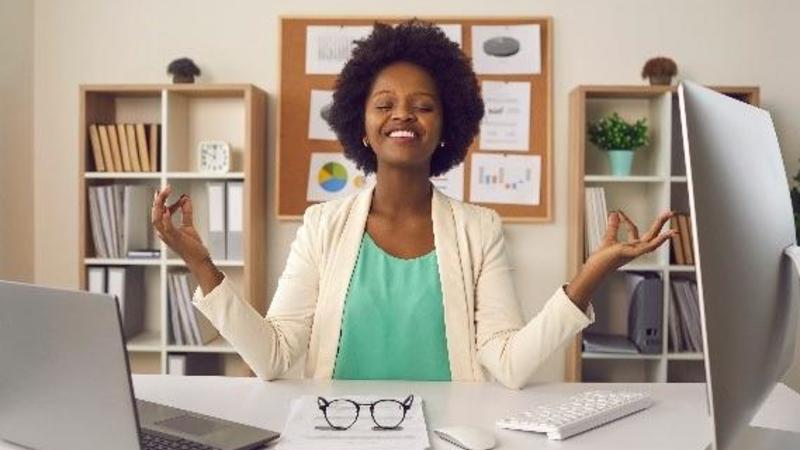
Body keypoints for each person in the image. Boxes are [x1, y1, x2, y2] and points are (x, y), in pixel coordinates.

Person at [151, 19, 676, 389]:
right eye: (385, 104)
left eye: (423, 106)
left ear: (447, 126)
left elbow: (510, 364)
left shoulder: (479, 229)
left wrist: (593, 271)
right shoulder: (322, 226)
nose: (403, 116)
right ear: (362, 123)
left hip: (445, 436)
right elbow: (272, 357)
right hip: (338, 434)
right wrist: (200, 262)